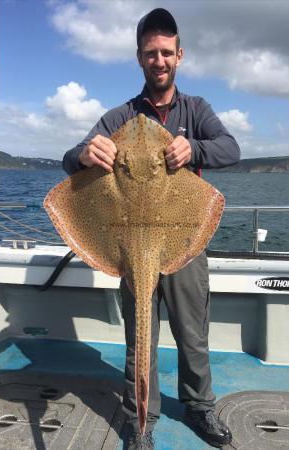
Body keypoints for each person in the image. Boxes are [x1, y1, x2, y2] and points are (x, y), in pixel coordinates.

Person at [63, 8, 240, 449]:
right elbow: (70, 159)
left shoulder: (196, 110)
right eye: (150, 54)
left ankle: (199, 407)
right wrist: (87, 153)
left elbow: (230, 148)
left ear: (179, 56)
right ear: (140, 59)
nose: (158, 61)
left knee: (192, 332)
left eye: (166, 53)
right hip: (128, 240)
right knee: (139, 332)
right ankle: (140, 422)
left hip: (182, 238)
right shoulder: (120, 116)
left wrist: (194, 148)